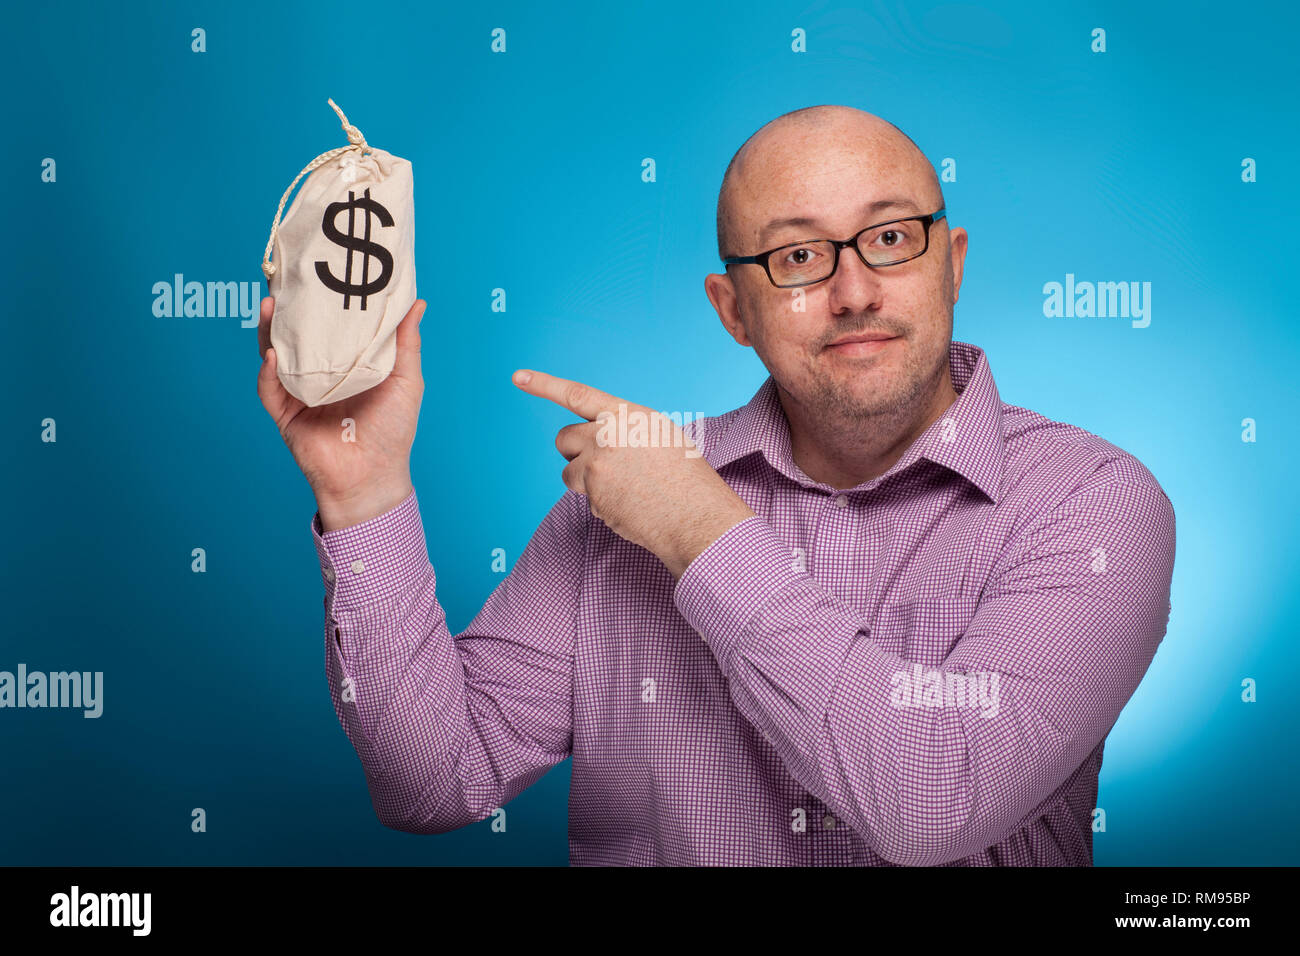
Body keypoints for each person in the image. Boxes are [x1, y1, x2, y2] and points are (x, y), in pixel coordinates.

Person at [255, 104, 1176, 866]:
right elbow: (436, 782)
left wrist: (699, 530)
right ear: (732, 309)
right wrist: (364, 490)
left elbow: (934, 801)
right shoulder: (619, 495)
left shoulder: (1091, 504)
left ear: (952, 262)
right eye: (799, 256)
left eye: (891, 238)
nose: (855, 290)